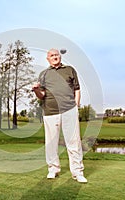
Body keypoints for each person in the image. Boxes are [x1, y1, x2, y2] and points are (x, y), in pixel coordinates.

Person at [32, 48, 87, 183]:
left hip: (69, 110)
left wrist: (76, 105)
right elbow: (42, 96)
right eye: (52, 55)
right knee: (51, 142)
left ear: (60, 57)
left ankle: (77, 172)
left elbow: (77, 89)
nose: (55, 57)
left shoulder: (69, 70)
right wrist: (36, 91)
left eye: (56, 54)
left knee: (73, 142)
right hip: (50, 111)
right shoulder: (44, 74)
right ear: (48, 59)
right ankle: (53, 169)